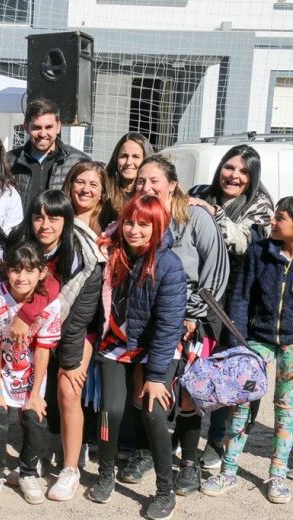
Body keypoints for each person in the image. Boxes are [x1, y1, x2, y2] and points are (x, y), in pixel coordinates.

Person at [87, 194, 187, 520]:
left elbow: (170, 325)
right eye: (129, 221)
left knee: (154, 413)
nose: (134, 230)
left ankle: (165, 489)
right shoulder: (111, 253)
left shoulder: (169, 265)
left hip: (155, 351)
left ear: (157, 226)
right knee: (110, 411)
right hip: (115, 345)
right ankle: (105, 474)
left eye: (144, 224)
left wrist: (157, 376)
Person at [135, 155, 229, 495]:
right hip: (154, 317)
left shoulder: (195, 216)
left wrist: (195, 315)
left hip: (194, 319)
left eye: (154, 181)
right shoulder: (141, 217)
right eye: (141, 181)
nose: (146, 187)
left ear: (172, 184)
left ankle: (188, 464)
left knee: (189, 392)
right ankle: (149, 451)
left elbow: (217, 271)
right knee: (151, 387)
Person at [7, 190, 105, 501]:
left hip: (78, 330)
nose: (45, 225)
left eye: (54, 218)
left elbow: (80, 317)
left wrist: (69, 361)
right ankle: (33, 457)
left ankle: (70, 468)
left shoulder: (85, 257)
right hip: (38, 329)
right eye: (39, 217)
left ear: (67, 220)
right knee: (26, 384)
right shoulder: (25, 246)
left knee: (67, 387)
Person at [201, 196, 293, 504]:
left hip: (291, 345)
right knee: (241, 403)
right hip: (256, 340)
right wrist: (241, 341)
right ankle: (228, 470)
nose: (272, 222)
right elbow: (240, 297)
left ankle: (278, 474)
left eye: (280, 218)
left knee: (286, 409)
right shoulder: (258, 252)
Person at [188, 144, 274, 470]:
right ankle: (190, 428)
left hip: (240, 300)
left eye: (242, 171)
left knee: (233, 370)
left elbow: (244, 242)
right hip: (202, 294)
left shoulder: (260, 206)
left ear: (252, 177)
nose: (234, 176)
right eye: (229, 167)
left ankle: (219, 440)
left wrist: (211, 214)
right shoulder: (200, 192)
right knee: (198, 364)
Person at [0, 243, 61, 507]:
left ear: (41, 272)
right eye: (15, 270)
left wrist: (36, 394)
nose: (21, 277)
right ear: (6, 271)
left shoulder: (51, 305)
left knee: (35, 419)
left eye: (29, 271)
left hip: (30, 372)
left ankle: (28, 472)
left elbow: (44, 350)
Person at [8, 97, 90, 211]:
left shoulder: (78, 162)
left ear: (58, 127)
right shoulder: (8, 162)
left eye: (48, 127)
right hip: (21, 229)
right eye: (37, 127)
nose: (43, 133)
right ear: (26, 127)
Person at [62, 161, 118, 235]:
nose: (85, 189)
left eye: (93, 185)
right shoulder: (58, 218)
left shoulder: (112, 224)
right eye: (80, 182)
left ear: (102, 191)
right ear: (70, 186)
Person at [106, 132, 154, 213]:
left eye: (136, 156)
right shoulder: (104, 189)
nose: (128, 162)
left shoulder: (153, 192)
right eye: (124, 156)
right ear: (116, 159)